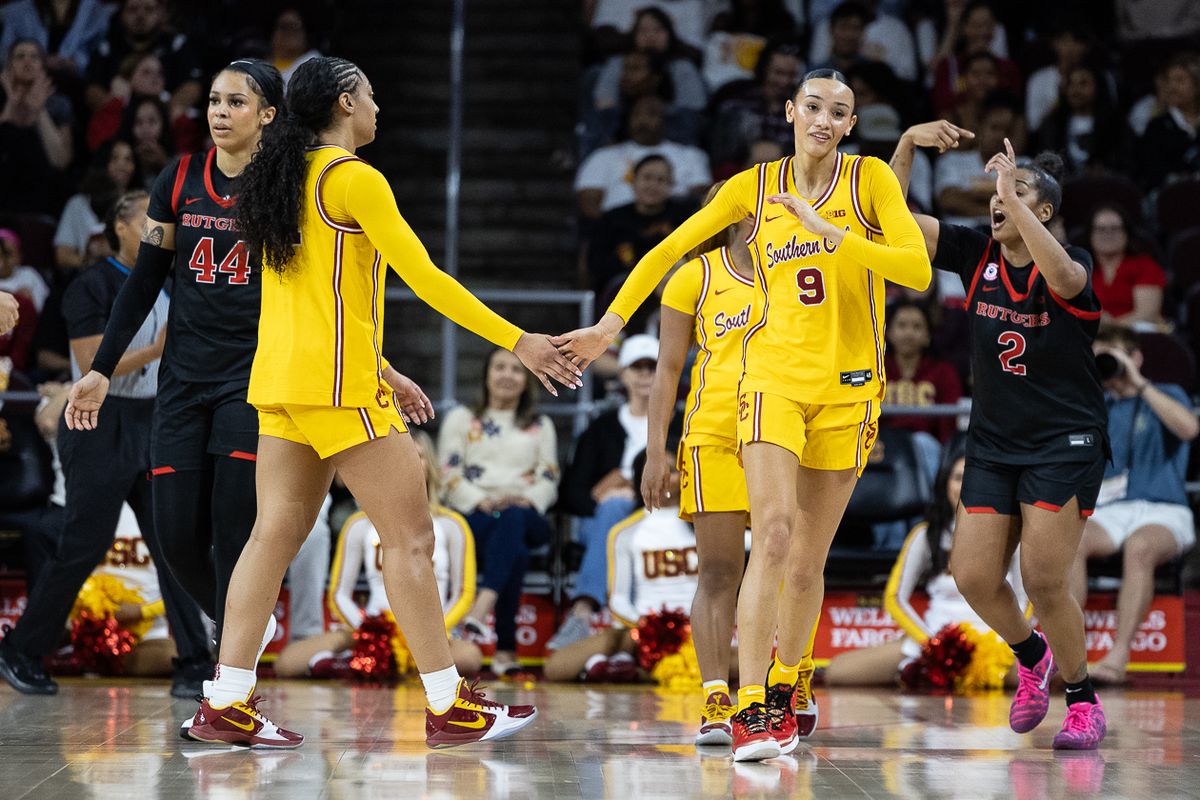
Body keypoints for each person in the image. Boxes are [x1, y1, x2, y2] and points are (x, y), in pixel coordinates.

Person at [115, 55, 577, 749]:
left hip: (276, 382)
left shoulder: (275, 175)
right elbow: (425, 278)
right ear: (342, 102)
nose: (378, 108)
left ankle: (227, 700)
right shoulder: (353, 178)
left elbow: (299, 298)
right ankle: (450, 703)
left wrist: (384, 367)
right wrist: (521, 341)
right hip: (335, 387)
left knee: (270, 538)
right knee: (412, 540)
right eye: (370, 95)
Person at [558, 69, 932, 762]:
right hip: (771, 385)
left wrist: (829, 231)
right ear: (791, 111)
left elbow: (915, 270)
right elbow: (671, 249)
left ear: (851, 125)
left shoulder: (871, 181)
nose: (824, 119)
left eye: (839, 112)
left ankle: (792, 680)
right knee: (778, 535)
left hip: (850, 389)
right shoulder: (750, 189)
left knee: (808, 560)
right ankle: (751, 706)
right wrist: (609, 327)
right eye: (813, 106)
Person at [891, 125, 1109, 749]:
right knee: (973, 575)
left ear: (1042, 212)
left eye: (1015, 192)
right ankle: (1031, 655)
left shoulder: (1072, 265)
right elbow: (894, 223)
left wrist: (1015, 201)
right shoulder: (973, 251)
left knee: (1043, 579)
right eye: (994, 191)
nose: (997, 199)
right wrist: (905, 147)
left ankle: (1082, 697)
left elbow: (1065, 278)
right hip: (991, 439)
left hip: (1064, 440)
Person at [63, 60, 286, 664]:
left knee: (232, 533)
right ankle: (242, 621)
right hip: (183, 381)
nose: (219, 111)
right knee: (176, 537)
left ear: (267, 114)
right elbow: (143, 282)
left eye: (236, 102)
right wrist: (102, 369)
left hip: (251, 381)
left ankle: (229, 683)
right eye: (214, 100)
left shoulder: (285, 186)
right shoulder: (180, 177)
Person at [0, 189, 211, 697]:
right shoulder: (89, 285)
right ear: (119, 227)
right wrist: (161, 346)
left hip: (158, 419)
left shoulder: (175, 283)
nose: (162, 233)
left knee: (173, 543)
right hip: (98, 417)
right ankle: (21, 649)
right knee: (84, 543)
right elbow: (96, 360)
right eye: (150, 222)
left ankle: (195, 663)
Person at [642, 180, 821, 745]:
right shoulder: (693, 276)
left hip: (783, 432)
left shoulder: (796, 271)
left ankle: (791, 678)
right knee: (720, 571)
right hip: (715, 435)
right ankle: (717, 696)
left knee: (796, 565)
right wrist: (655, 451)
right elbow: (668, 370)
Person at [274, 431, 483, 679]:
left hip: (431, 629)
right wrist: (369, 631)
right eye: (401, 456)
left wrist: (430, 632)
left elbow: (463, 592)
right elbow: (339, 592)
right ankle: (371, 658)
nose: (409, 463)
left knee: (470, 656)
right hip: (372, 625)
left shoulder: (452, 525)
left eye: (418, 456)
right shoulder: (358, 524)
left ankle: (358, 665)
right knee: (287, 663)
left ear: (431, 466)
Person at [826, 449, 1026, 685]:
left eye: (973, 479)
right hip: (935, 636)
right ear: (945, 484)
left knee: (1061, 675)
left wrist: (1006, 641)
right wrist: (932, 644)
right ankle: (925, 672)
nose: (964, 487)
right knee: (837, 672)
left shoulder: (1010, 532)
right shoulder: (926, 534)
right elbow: (894, 597)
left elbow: (1027, 600)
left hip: (999, 643)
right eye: (958, 478)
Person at [1070, 324, 1197, 685]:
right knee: (1070, 542)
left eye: (1113, 356)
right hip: (1111, 510)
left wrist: (1138, 382)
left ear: (1135, 356)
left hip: (1164, 508)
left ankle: (1119, 654)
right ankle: (1071, 654)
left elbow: (1189, 429)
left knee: (1140, 548)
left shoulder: (1167, 393)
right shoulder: (1097, 404)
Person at [437, 347, 558, 676]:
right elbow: (447, 472)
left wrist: (526, 499)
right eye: (499, 367)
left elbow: (549, 476)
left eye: (516, 370)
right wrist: (480, 500)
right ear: (487, 375)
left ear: (527, 379)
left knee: (515, 521)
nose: (507, 375)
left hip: (527, 510)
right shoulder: (462, 419)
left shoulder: (540, 424)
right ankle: (505, 650)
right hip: (476, 513)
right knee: (513, 548)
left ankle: (481, 607)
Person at [544, 448, 699, 683]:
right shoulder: (625, 531)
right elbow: (618, 599)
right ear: (641, 478)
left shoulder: (705, 526)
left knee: (737, 661)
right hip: (644, 632)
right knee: (556, 668)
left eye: (674, 471)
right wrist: (650, 627)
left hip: (698, 631)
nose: (666, 477)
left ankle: (625, 670)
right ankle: (633, 667)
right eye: (657, 470)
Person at [549, 334, 658, 652]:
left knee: (618, 512)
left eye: (651, 368)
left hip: (661, 517)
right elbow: (571, 492)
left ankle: (584, 611)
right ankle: (587, 615)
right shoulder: (601, 429)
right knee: (611, 512)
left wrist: (633, 495)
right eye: (636, 368)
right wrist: (604, 497)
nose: (644, 376)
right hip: (603, 520)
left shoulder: (679, 424)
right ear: (623, 374)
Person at [575, 95, 711, 219]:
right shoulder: (602, 156)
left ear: (665, 119)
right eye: (636, 115)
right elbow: (588, 203)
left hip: (673, 231)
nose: (642, 121)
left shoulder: (691, 156)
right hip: (618, 233)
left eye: (651, 114)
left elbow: (702, 201)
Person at [585, 154, 693, 300]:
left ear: (671, 185)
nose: (653, 185)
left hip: (675, 287)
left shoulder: (686, 217)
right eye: (647, 178)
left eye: (661, 180)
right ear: (633, 180)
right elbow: (598, 265)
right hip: (624, 292)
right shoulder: (611, 220)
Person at [882, 299, 962, 444]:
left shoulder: (944, 372)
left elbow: (948, 427)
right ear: (889, 333)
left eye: (917, 326)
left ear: (927, 336)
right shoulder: (876, 370)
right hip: (883, 444)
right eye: (901, 325)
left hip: (926, 446)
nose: (909, 333)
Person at [55, 139, 142, 270]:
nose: (122, 165)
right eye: (114, 158)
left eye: (128, 159)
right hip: (89, 279)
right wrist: (92, 263)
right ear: (103, 162)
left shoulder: (142, 205)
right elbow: (63, 255)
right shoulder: (78, 204)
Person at [1086, 205, 1166, 326]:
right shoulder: (1082, 268)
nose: (1108, 234)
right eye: (1101, 229)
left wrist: (1110, 329)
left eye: (1115, 228)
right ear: (1090, 234)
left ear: (1126, 234)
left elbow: (1147, 314)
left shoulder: (1145, 265)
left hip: (1135, 334)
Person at [1138, 53, 1200, 190]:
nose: (1172, 87)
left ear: (1197, 85)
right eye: (1168, 81)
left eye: (1180, 80)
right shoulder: (1157, 127)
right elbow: (1152, 173)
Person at [270, 8, 321, 88]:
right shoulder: (260, 65)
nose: (289, 33)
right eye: (284, 27)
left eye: (294, 27)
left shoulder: (314, 64)